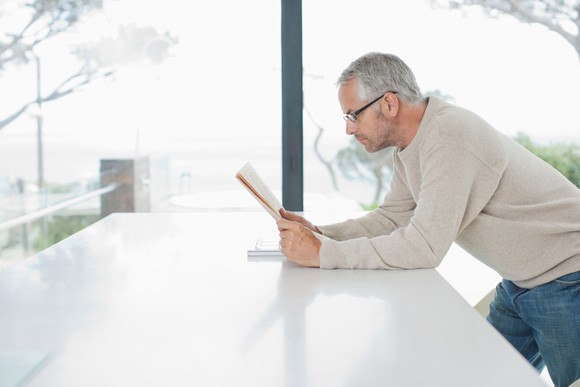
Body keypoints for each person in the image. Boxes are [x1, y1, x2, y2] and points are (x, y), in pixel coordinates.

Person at [277, 52, 580, 387]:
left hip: (566, 277)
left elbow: (424, 247)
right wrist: (321, 235)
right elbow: (393, 218)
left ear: (389, 103)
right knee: (480, 379)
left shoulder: (448, 134)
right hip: (521, 282)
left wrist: (323, 255)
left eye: (353, 115)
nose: (349, 129)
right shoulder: (410, 144)